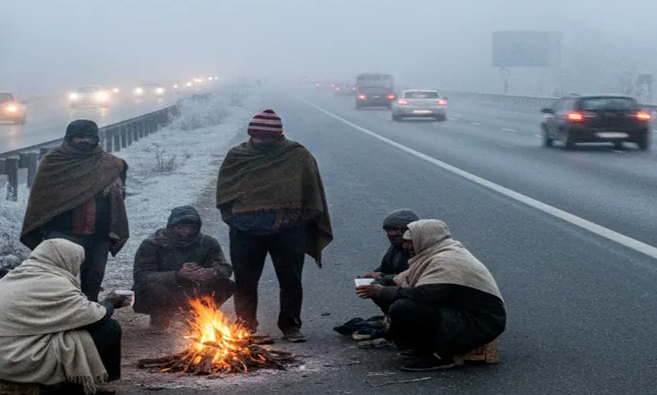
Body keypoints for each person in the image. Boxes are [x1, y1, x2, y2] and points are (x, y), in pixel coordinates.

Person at [216, 109, 332, 342]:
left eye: (266, 138)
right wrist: (235, 218)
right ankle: (245, 324)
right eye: (256, 137)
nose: (260, 141)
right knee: (245, 279)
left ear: (278, 136)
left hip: (289, 230)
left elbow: (311, 192)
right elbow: (224, 192)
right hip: (244, 231)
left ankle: (290, 325)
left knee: (290, 279)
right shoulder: (237, 156)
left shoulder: (296, 155)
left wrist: (297, 220)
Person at [0, 238, 128, 395]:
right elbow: (94, 318)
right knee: (109, 328)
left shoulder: (16, 276)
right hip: (14, 358)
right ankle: (76, 388)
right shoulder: (52, 282)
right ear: (65, 259)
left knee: (76, 330)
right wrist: (110, 303)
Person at [357, 219, 506, 372]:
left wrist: (383, 291)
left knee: (403, 307)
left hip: (480, 322)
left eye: (409, 241)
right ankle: (413, 346)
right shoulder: (434, 254)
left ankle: (435, 357)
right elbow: (405, 278)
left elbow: (428, 294)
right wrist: (382, 281)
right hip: (459, 312)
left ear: (425, 239)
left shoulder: (447, 259)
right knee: (387, 291)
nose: (405, 246)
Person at [20, 119, 129, 300]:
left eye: (89, 137)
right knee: (60, 285)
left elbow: (119, 198)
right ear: (69, 139)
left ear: (96, 139)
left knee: (92, 284)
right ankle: (60, 322)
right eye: (79, 137)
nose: (85, 140)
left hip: (99, 235)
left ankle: (91, 322)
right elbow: (41, 201)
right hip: (63, 234)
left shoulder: (112, 165)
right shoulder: (54, 162)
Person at [132, 206, 235, 332]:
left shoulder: (208, 243)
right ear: (171, 226)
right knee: (152, 286)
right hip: (164, 290)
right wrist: (177, 275)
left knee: (224, 284)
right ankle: (160, 318)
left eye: (191, 228)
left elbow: (225, 268)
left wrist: (208, 272)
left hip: (194, 289)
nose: (186, 232)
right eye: (181, 227)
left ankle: (199, 315)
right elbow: (141, 275)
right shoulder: (153, 244)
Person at [361, 209, 420, 314]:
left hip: (417, 292)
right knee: (371, 284)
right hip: (399, 285)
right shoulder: (396, 248)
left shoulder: (421, 250)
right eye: (388, 230)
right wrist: (376, 274)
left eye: (396, 230)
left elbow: (415, 280)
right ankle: (390, 316)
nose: (391, 234)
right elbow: (385, 268)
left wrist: (385, 280)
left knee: (397, 302)